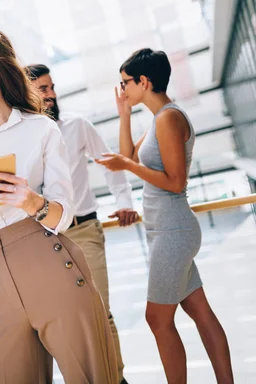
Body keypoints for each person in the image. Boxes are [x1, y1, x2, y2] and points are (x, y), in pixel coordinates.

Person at [0, 26, 119, 384]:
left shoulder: (41, 129)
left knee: (92, 377)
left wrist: (27, 199)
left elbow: (64, 217)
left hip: (49, 261)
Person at [96, 48, 234, 384]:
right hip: (165, 230)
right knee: (199, 311)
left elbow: (175, 182)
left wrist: (128, 165)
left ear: (144, 81)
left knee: (156, 318)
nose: (122, 88)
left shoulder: (171, 118)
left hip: (174, 230)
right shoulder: (160, 119)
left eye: (125, 82)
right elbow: (128, 154)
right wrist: (124, 113)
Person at [26, 63, 138, 384]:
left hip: (84, 230)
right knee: (67, 323)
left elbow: (109, 164)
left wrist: (125, 203)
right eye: (43, 89)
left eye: (51, 87)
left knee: (101, 313)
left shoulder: (76, 125)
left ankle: (117, 381)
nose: (52, 94)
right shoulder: (23, 136)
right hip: (43, 240)